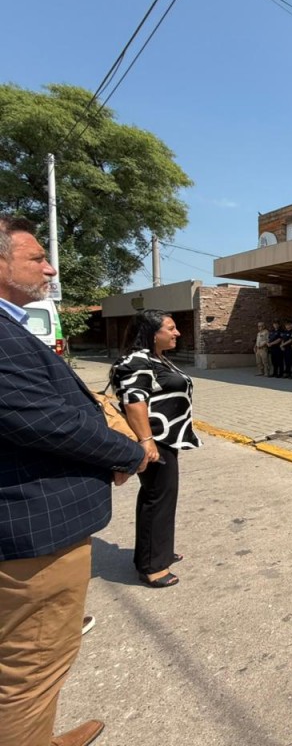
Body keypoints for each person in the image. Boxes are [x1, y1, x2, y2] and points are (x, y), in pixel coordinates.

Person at [0, 215, 149, 746]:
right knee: (30, 669)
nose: (50, 265)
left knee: (32, 663)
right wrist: (127, 451)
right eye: (37, 257)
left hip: (29, 525)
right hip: (30, 532)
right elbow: (45, 419)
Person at [111, 309, 201, 588]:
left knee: (160, 496)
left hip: (167, 439)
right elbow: (134, 401)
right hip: (155, 441)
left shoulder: (157, 358)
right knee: (157, 498)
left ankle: (157, 551)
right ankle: (152, 566)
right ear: (151, 333)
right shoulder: (136, 361)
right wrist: (146, 441)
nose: (178, 333)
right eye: (171, 328)